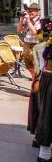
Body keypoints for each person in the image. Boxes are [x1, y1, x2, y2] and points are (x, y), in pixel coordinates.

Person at [35, 31, 52, 162]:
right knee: (47, 115)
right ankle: (44, 154)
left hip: (47, 77)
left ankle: (45, 153)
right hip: (49, 78)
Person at [17, 3, 42, 80]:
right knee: (28, 65)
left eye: (32, 11)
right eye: (29, 11)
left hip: (36, 45)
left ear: (38, 11)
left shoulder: (40, 21)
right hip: (27, 44)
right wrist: (21, 20)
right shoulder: (28, 19)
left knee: (36, 65)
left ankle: (38, 81)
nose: (30, 12)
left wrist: (28, 21)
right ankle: (34, 78)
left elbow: (35, 32)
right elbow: (19, 30)